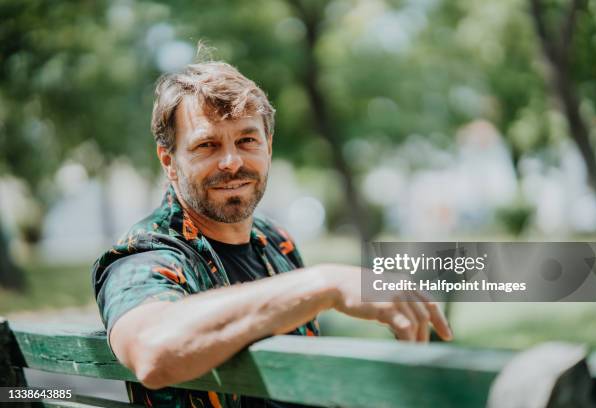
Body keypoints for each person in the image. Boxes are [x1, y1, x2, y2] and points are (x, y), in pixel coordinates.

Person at [91, 57, 452, 408]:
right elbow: (153, 349)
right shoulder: (144, 255)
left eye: (247, 141)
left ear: (268, 148)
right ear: (169, 161)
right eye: (207, 145)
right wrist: (323, 283)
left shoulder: (275, 241)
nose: (232, 162)